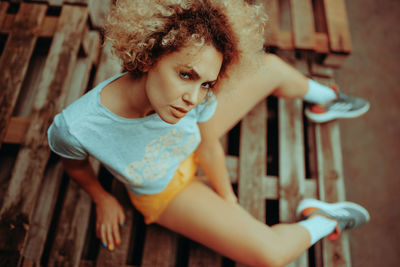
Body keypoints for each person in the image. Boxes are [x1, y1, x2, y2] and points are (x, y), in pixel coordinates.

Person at [47, 0, 370, 266]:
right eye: (185, 74)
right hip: (164, 190)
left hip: (192, 145)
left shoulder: (193, 98)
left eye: (206, 83)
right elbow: (74, 166)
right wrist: (102, 198)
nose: (194, 97)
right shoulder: (76, 127)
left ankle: (327, 99)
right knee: (271, 255)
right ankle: (326, 219)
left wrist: (228, 200)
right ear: (148, 58)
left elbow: (207, 142)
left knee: (268, 67)